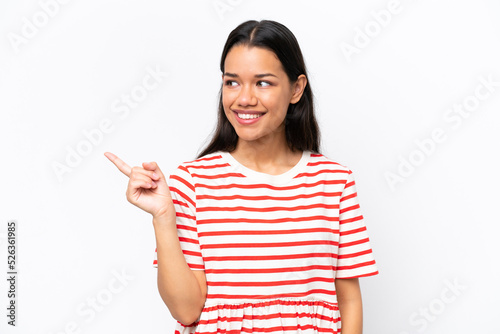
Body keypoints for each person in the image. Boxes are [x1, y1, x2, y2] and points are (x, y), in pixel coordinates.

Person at [105, 19, 378, 334]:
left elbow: (349, 302)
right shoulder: (192, 182)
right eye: (232, 82)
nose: (244, 98)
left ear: (296, 89)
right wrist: (163, 217)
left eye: (263, 83)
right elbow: (186, 309)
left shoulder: (334, 181)